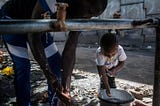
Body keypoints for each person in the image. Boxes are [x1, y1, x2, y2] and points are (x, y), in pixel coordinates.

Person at [0, 0, 63, 105]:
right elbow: (33, 37)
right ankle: (24, 103)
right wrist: (49, 74)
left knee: (55, 62)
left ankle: (55, 100)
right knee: (23, 66)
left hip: (36, 23)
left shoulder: (77, 8)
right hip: (12, 19)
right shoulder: (51, 1)